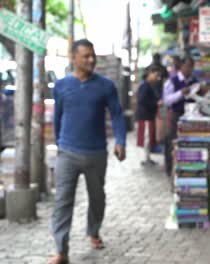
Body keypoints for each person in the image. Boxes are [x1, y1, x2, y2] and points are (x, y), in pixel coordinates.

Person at [48, 39, 126, 264]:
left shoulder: (106, 85)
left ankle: (93, 231)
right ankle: (61, 251)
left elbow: (117, 114)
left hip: (96, 154)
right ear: (73, 58)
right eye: (86, 56)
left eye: (92, 55)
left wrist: (120, 141)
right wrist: (59, 144)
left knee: (97, 197)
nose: (91, 60)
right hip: (68, 153)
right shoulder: (61, 86)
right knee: (62, 201)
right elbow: (57, 118)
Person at [163, 56, 199, 177]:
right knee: (172, 143)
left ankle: (186, 170)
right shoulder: (172, 81)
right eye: (188, 66)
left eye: (192, 67)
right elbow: (167, 100)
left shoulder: (194, 81)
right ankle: (170, 170)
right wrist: (180, 93)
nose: (190, 69)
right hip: (176, 116)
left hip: (191, 116)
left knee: (189, 144)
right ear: (182, 66)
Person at [136, 64, 162, 166]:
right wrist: (156, 103)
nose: (157, 78)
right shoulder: (144, 86)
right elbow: (142, 100)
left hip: (148, 116)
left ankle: (148, 158)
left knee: (149, 138)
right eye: (156, 75)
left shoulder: (148, 86)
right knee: (147, 138)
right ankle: (146, 158)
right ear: (150, 74)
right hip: (145, 116)